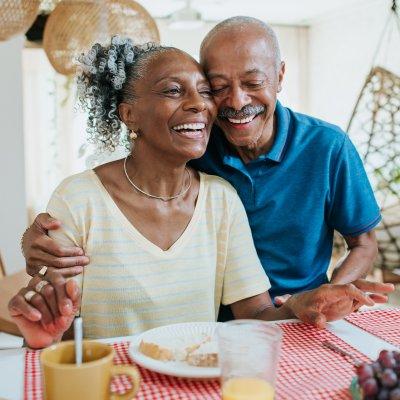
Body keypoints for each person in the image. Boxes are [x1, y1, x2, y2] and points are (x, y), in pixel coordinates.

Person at [8, 38, 393, 349]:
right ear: (128, 115)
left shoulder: (222, 195)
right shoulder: (80, 198)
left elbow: (257, 312)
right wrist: (40, 316)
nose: (203, 105)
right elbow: (51, 318)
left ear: (279, 76)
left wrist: (306, 301)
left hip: (220, 364)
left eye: (205, 92)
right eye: (175, 91)